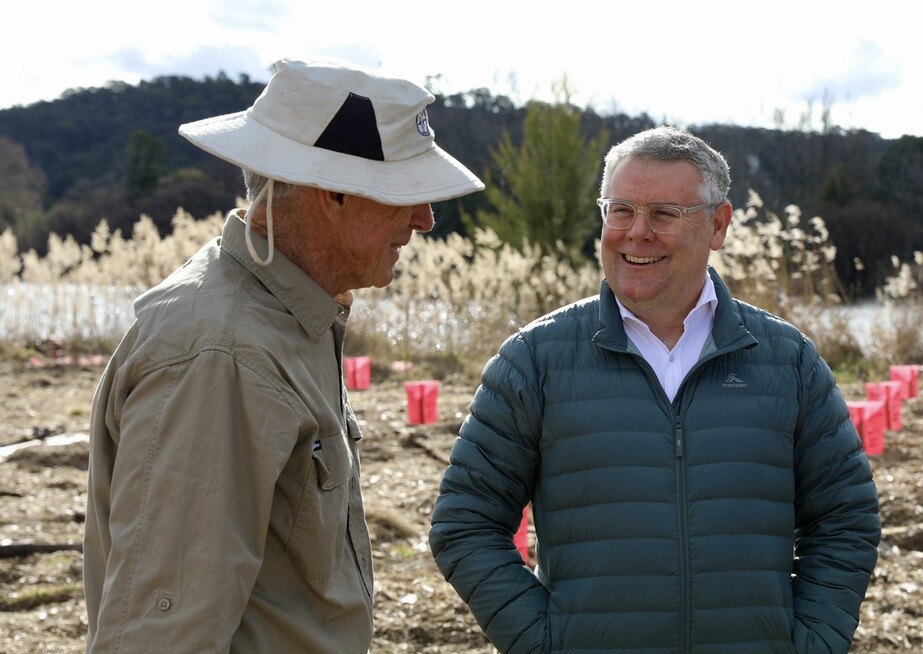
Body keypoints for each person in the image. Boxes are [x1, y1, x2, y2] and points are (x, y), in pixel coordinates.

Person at [83, 58, 484, 652]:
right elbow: (161, 631)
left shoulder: (286, 317)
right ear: (332, 193)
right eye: (409, 194)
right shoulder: (225, 353)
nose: (425, 220)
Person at [429, 126, 880, 653]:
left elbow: (845, 519)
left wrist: (811, 643)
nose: (637, 232)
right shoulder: (534, 360)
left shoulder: (787, 360)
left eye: (664, 214)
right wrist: (544, 642)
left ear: (718, 224)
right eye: (621, 210)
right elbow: (465, 523)